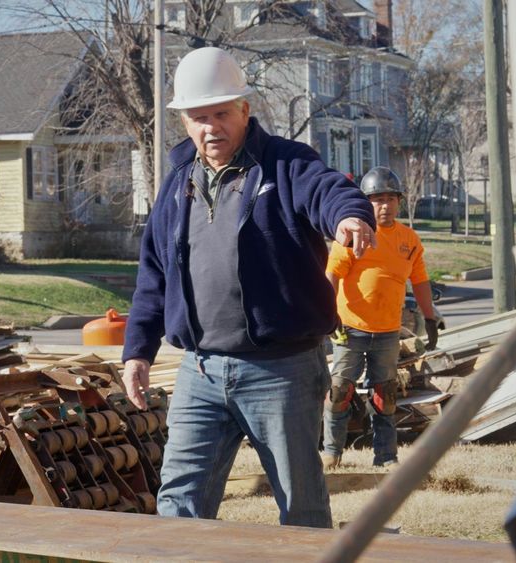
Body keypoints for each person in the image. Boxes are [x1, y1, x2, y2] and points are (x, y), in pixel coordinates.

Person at [121, 47, 376, 528]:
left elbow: (328, 191)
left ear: (245, 110)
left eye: (221, 113)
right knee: (179, 502)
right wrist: (138, 350)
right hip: (200, 371)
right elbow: (154, 274)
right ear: (184, 121)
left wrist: (350, 216)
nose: (211, 127)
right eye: (199, 117)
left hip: (281, 372)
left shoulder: (286, 164)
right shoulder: (178, 180)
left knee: (300, 505)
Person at [321, 167, 438, 469]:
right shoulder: (353, 235)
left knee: (384, 396)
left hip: (387, 332)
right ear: (366, 202)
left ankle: (385, 457)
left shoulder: (409, 239)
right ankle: (332, 453)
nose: (384, 206)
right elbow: (331, 277)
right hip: (350, 329)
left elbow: (421, 281)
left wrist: (429, 317)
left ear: (399, 201)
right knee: (339, 393)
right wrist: (327, 316)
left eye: (389, 199)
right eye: (376, 200)